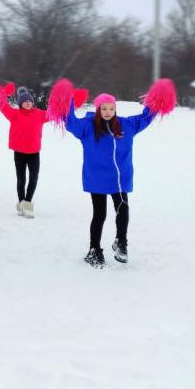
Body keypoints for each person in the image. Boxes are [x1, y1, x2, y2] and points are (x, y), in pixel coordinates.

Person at [66, 93, 155, 268]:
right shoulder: (87, 127)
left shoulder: (126, 125)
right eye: (104, 108)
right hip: (97, 178)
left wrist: (156, 100)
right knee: (100, 214)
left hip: (120, 179)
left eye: (111, 108)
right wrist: (68, 99)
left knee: (123, 209)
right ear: (98, 109)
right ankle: (94, 250)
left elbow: (146, 117)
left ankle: (121, 242)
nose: (108, 112)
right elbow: (70, 122)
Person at [0, 86, 51, 218]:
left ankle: (27, 204)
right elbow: (3, 106)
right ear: (20, 103)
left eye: (30, 101)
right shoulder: (14, 114)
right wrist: (5, 95)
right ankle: (22, 203)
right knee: (21, 179)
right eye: (25, 101)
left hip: (34, 152)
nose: (28, 102)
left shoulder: (39, 114)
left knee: (34, 178)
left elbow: (54, 113)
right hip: (19, 152)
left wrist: (61, 102)